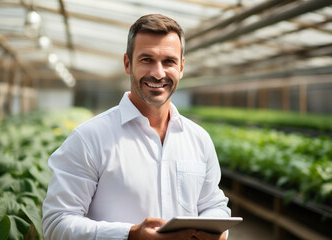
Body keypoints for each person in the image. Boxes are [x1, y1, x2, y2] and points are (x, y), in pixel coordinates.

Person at [42, 14, 231, 240]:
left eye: (168, 61)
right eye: (146, 59)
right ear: (127, 64)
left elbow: (213, 203)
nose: (158, 73)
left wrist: (218, 232)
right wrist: (130, 235)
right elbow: (56, 223)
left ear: (181, 67)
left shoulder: (199, 139)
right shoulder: (89, 138)